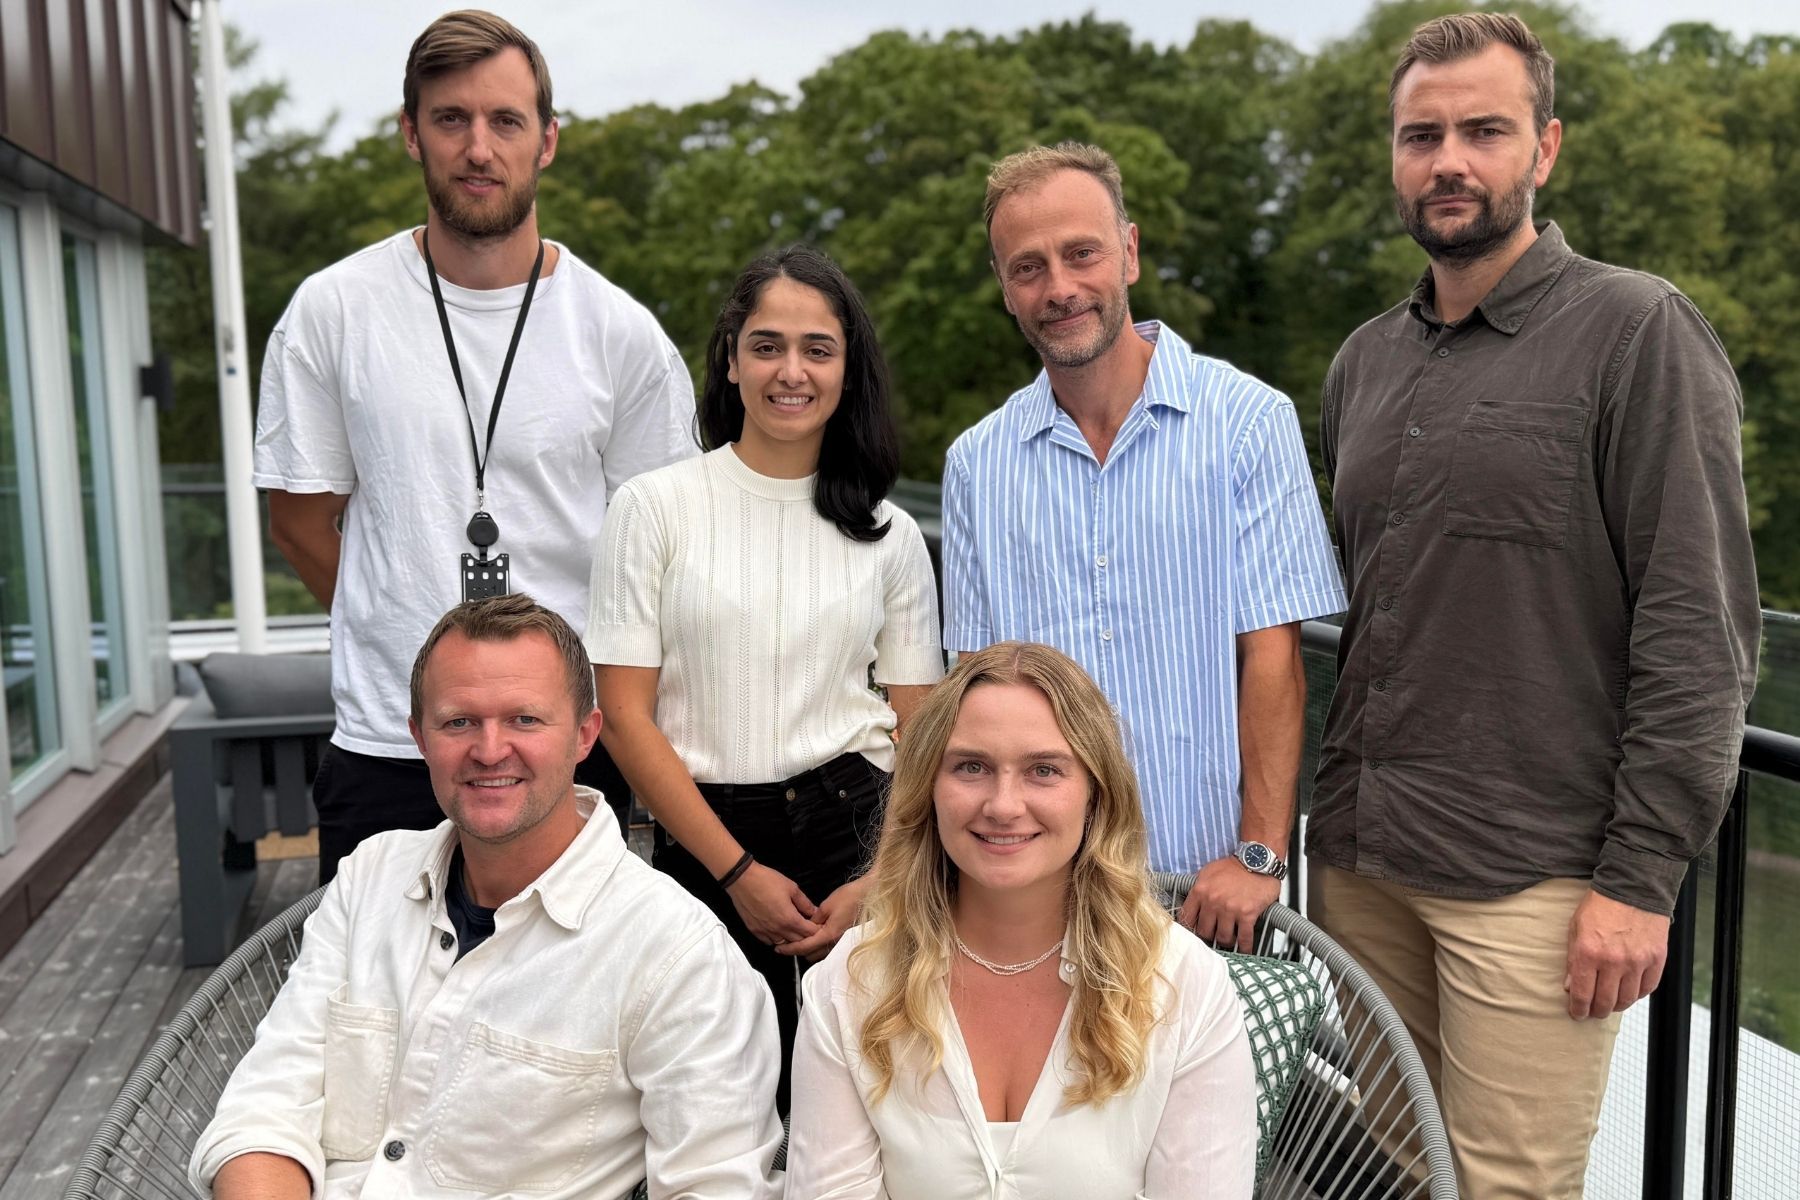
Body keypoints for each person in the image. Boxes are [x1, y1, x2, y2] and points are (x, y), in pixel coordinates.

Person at [1309, 13, 1760, 1196]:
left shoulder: (1637, 332)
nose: (1449, 159)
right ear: (1395, 157)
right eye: (1423, 134)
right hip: (1362, 855)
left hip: (1538, 879)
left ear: (1544, 149)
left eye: (1484, 131)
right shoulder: (1364, 361)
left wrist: (1638, 877)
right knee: (1396, 1169)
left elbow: (1699, 633)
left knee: (1512, 1186)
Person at [255, 10, 696, 881]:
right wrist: (400, 633)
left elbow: (666, 551)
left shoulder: (620, 334)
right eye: (451, 119)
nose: (479, 147)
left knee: (569, 1006)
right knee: (380, 1006)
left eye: (506, 121)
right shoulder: (333, 311)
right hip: (391, 740)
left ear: (548, 141)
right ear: (411, 134)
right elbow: (301, 523)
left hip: (568, 750)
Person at [188, 594, 783, 1200]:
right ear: (419, 737)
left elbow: (716, 1186)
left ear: (584, 736)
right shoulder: (370, 877)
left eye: (525, 719)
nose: (490, 749)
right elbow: (265, 1109)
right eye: (458, 722)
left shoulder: (679, 954)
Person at [941, 142, 1345, 951]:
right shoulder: (974, 464)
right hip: (1035, 891)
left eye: (1081, 253)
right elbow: (974, 692)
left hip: (1206, 897)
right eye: (1029, 267)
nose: (1059, 288)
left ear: (1128, 251)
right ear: (1005, 288)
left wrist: (1260, 856)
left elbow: (1274, 661)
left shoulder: (1249, 423)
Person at [586, 244, 945, 1112]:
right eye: (768, 345)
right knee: (716, 1101)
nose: (793, 371)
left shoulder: (890, 537)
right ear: (732, 361)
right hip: (706, 842)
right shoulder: (653, 508)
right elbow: (624, 717)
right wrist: (736, 870)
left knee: (868, 1098)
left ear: (848, 370)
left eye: (818, 349)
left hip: (859, 836)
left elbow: (920, 731)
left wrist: (879, 883)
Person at [786, 641, 1256, 1199]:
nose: (1004, 805)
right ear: (927, 790)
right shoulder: (849, 983)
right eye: (971, 767)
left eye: (1043, 770)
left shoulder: (1186, 988)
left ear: (1096, 794)